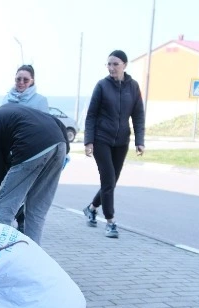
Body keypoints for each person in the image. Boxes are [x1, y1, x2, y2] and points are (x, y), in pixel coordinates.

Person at [0, 103, 68, 245]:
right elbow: (56, 121)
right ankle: (33, 253)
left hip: (31, 147)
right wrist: (65, 151)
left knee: (2, 206)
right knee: (36, 209)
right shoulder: (2, 113)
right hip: (59, 144)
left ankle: (1, 250)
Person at [82, 50, 146, 239]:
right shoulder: (102, 86)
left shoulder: (133, 87)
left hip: (122, 141)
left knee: (111, 182)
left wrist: (139, 141)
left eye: (115, 64)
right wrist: (89, 141)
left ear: (124, 65)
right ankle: (110, 222)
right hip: (101, 139)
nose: (111, 68)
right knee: (108, 179)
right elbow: (91, 115)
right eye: (108, 64)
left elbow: (138, 115)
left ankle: (92, 208)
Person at [2, 65, 49, 232]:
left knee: (28, 187)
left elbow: (44, 126)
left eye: (25, 79)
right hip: (9, 149)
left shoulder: (40, 100)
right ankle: (14, 218)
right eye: (18, 79)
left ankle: (22, 220)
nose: (21, 82)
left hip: (30, 150)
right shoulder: (7, 98)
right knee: (9, 187)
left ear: (32, 81)